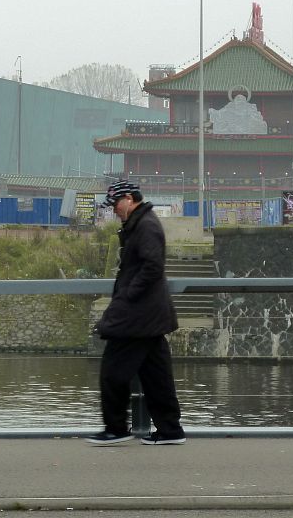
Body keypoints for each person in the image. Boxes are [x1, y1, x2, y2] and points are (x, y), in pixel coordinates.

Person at [86, 180, 186, 446]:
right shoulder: (142, 223)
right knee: (156, 376)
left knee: (112, 372)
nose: (114, 210)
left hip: (138, 314)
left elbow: (152, 267)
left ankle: (116, 428)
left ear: (129, 199)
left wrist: (128, 294)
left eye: (116, 204)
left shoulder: (146, 226)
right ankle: (170, 430)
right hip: (150, 314)